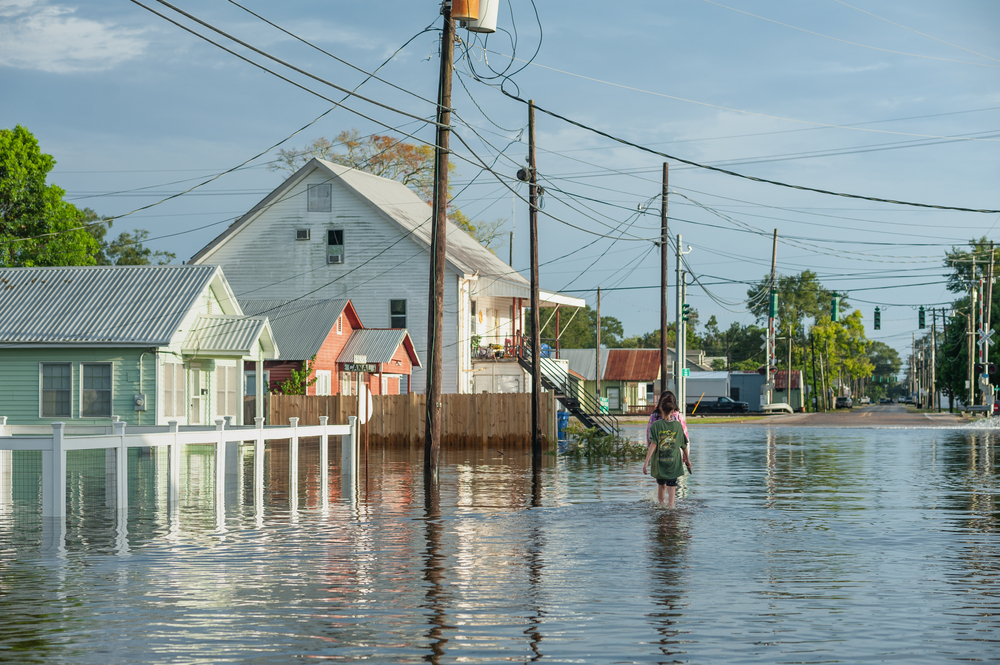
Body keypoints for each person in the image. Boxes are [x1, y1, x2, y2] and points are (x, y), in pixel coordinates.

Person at [643, 391, 691, 507]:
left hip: (659, 457)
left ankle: (661, 508)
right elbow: (684, 441)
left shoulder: (655, 420)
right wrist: (686, 459)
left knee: (661, 484)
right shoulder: (678, 419)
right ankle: (671, 508)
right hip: (674, 458)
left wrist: (647, 461)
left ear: (661, 406)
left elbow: (651, 440)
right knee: (672, 484)